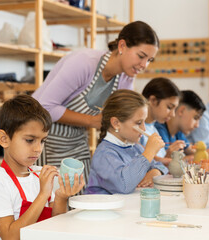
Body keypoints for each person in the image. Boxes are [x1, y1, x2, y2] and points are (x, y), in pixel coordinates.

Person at [32, 21, 159, 185]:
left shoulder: (127, 78)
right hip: (44, 138)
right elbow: (44, 107)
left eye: (150, 60)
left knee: (80, 195)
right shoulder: (83, 63)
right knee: (52, 200)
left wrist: (148, 156)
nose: (144, 65)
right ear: (122, 46)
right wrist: (91, 121)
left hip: (76, 140)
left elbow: (125, 120)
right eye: (141, 56)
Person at [0, 95, 85, 240]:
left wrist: (61, 197)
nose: (38, 149)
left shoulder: (39, 174)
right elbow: (11, 237)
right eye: (30, 140)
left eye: (42, 141)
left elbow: (57, 227)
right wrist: (43, 194)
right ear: (4, 139)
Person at [84, 90, 168, 194]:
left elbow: (160, 166)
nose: (144, 128)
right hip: (102, 209)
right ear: (116, 123)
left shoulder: (136, 147)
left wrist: (155, 172)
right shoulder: (104, 154)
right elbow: (124, 185)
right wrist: (148, 153)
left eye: (144, 122)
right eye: (138, 123)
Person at [139, 77, 181, 166]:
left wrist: (169, 155)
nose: (173, 114)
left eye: (174, 109)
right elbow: (145, 163)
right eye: (169, 107)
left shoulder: (153, 128)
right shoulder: (138, 130)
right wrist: (168, 158)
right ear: (153, 100)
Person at [155, 90, 206, 159]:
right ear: (181, 111)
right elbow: (164, 162)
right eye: (195, 118)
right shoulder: (159, 131)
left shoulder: (178, 133)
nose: (197, 125)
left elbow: (192, 151)